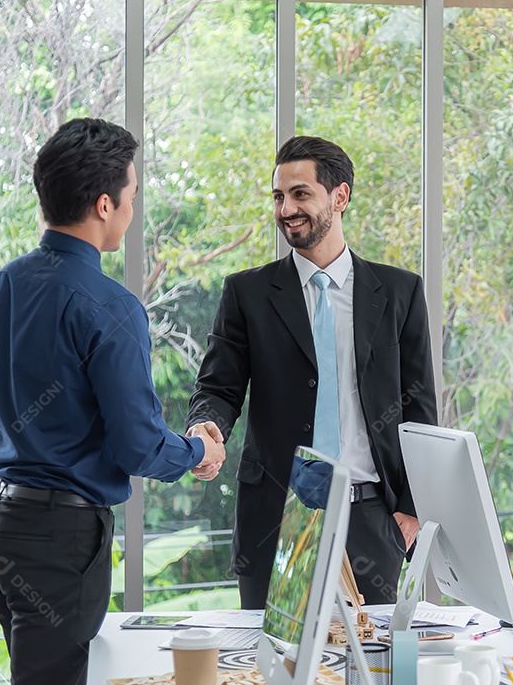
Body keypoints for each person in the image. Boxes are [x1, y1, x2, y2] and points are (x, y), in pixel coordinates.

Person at [0, 118, 226, 685]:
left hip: (1, 526)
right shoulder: (110, 308)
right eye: (132, 197)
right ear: (105, 204)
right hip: (59, 539)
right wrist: (195, 452)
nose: (133, 211)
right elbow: (136, 445)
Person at [187, 135, 438, 608]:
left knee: (369, 672)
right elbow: (218, 388)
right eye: (279, 197)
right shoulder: (247, 294)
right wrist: (207, 426)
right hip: (275, 520)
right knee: (276, 670)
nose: (286, 209)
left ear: (339, 197)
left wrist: (409, 510)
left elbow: (420, 408)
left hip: (372, 519)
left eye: (300, 194)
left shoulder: (400, 293)